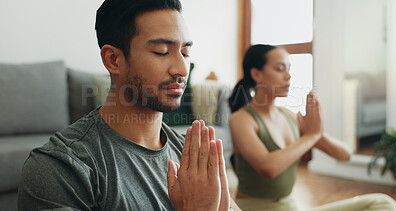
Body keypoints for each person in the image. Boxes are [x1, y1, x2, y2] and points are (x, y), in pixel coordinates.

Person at [18, 0, 240, 210]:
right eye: (162, 51)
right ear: (113, 59)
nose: (182, 69)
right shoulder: (61, 167)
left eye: (185, 53)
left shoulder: (190, 154)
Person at [228, 44, 396, 211]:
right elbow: (269, 168)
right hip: (253, 208)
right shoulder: (241, 119)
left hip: (289, 207)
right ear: (256, 74)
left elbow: (344, 155)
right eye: (280, 69)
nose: (288, 76)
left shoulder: (289, 116)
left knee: (382, 203)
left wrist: (318, 134)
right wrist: (310, 136)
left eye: (289, 69)